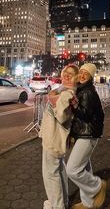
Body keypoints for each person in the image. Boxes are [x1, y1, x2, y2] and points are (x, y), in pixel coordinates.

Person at [66, 63, 106, 209]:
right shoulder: (82, 89)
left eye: (86, 74)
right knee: (84, 170)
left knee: (72, 169)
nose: (82, 75)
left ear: (90, 77)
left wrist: (74, 106)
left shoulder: (87, 92)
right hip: (83, 133)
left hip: (87, 135)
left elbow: (86, 115)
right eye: (81, 72)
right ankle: (88, 204)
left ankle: (97, 186)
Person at [39, 64, 79, 209]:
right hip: (55, 137)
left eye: (71, 74)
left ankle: (57, 206)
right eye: (65, 73)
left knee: (51, 174)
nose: (66, 76)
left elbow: (62, 116)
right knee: (59, 170)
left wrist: (58, 104)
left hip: (54, 137)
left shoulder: (67, 93)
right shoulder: (63, 90)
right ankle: (62, 202)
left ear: (76, 78)